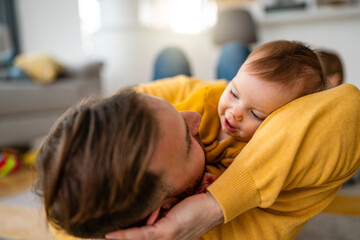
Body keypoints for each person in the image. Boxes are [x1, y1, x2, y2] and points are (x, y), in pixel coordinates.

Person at [35, 41, 360, 240]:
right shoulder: (241, 218)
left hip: (235, 89)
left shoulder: (77, 201)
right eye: (190, 141)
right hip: (244, 104)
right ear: (164, 212)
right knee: (235, 51)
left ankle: (241, 82)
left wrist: (234, 92)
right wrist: (217, 204)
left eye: (175, 113)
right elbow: (349, 107)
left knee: (182, 55)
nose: (195, 117)